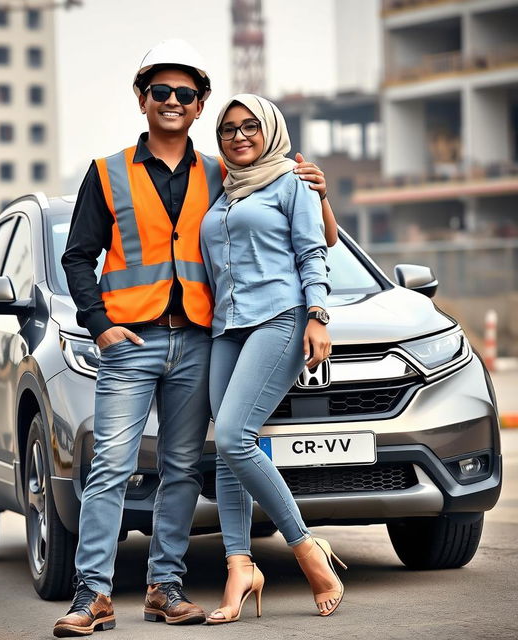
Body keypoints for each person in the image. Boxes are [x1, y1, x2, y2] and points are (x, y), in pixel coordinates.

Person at [55, 39, 336, 637]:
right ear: (142, 99)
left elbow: (295, 236)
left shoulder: (225, 174)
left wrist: (313, 185)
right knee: (111, 465)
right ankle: (93, 596)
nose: (173, 102)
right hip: (131, 342)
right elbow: (77, 257)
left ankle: (165, 588)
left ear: (200, 104)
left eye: (186, 93)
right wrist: (100, 325)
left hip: (202, 340)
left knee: (183, 467)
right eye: (162, 92)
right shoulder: (106, 173)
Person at [200, 94, 346, 624]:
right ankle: (240, 567)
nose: (239, 136)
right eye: (228, 130)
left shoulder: (292, 181)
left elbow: (315, 249)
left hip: (280, 317)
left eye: (249, 126)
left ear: (271, 129)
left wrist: (318, 314)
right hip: (227, 327)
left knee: (237, 435)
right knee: (228, 446)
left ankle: (307, 549)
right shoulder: (221, 193)